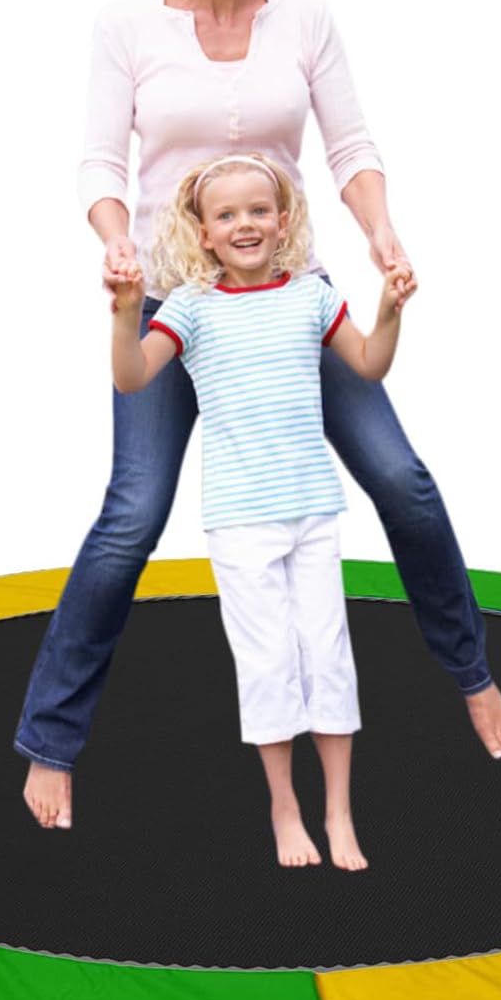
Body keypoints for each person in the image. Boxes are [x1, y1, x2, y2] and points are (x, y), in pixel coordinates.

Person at [18, 0, 501, 831]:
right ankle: (51, 743)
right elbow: (100, 163)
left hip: (291, 299)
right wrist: (116, 244)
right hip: (175, 296)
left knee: (402, 477)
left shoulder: (305, 12)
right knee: (133, 513)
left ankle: (471, 673)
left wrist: (380, 234)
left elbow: (351, 143)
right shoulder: (126, 24)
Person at [110, 151, 414, 869]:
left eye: (258, 210)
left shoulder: (311, 298)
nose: (244, 224)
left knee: (328, 659)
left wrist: (388, 311)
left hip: (313, 508)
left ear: (283, 221)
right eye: (226, 215)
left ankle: (339, 812)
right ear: (204, 233)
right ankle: (285, 807)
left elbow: (369, 363)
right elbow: (132, 379)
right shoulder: (190, 308)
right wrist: (125, 313)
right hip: (242, 520)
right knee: (268, 664)